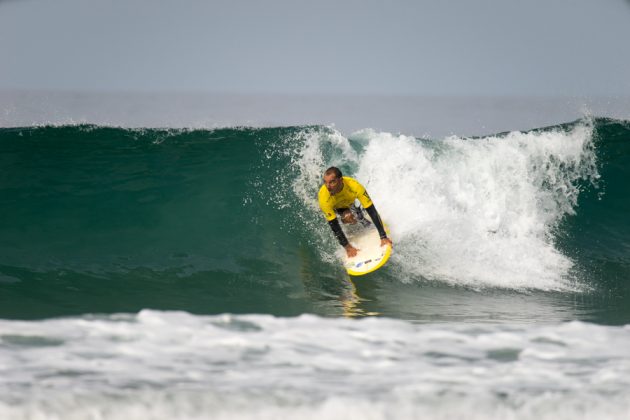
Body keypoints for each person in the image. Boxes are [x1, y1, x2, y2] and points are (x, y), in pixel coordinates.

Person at [318, 166, 392, 257]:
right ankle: (351, 222)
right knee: (348, 217)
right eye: (325, 182)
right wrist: (348, 248)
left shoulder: (354, 186)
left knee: (359, 217)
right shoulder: (324, 197)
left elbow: (372, 210)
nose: (328, 186)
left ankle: (361, 220)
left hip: (348, 203)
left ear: (341, 180)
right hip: (335, 208)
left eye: (332, 182)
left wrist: (383, 237)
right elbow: (334, 226)